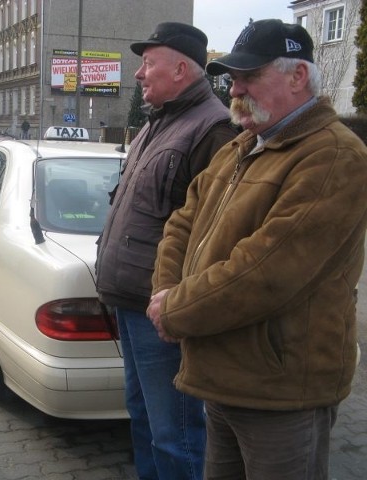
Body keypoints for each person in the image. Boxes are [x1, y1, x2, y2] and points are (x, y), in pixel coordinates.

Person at [147, 19, 367, 480]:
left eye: (250, 77)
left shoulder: (334, 155)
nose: (235, 90)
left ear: (297, 76)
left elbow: (266, 271)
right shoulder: (242, 147)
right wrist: (165, 291)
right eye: (232, 79)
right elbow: (180, 224)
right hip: (223, 377)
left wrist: (176, 310)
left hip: (281, 391)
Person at [95, 22, 238, 479]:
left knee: (176, 435)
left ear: (180, 69)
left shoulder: (214, 129)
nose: (139, 74)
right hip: (131, 304)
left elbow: (212, 233)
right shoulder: (159, 123)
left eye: (149, 62)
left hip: (161, 313)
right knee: (144, 420)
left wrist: (175, 302)